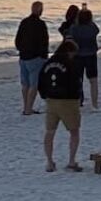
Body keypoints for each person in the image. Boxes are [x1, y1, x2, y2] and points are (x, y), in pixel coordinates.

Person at [38, 38, 83, 172]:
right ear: (69, 51)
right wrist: (77, 97)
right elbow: (76, 82)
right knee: (74, 132)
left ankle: (49, 162)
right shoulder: (70, 64)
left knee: (50, 132)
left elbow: (40, 81)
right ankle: (71, 161)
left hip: (51, 100)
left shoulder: (48, 63)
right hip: (68, 101)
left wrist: (44, 95)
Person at [15, 0, 49, 117]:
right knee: (33, 84)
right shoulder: (41, 24)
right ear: (39, 10)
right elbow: (44, 42)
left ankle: (26, 107)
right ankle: (29, 108)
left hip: (23, 57)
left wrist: (20, 50)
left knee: (25, 84)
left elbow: (17, 39)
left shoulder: (24, 22)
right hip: (35, 58)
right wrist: (44, 57)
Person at [69, 6, 101, 111]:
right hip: (91, 54)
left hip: (78, 55)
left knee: (78, 80)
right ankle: (94, 104)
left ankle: (78, 102)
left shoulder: (74, 28)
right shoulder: (92, 27)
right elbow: (97, 30)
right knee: (93, 80)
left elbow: (70, 37)